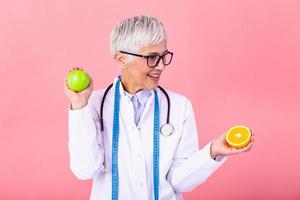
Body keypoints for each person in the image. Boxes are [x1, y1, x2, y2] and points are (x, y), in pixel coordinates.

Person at [64, 15, 254, 200]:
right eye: (152, 57)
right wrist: (79, 106)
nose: (161, 66)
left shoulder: (180, 107)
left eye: (164, 56)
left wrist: (212, 152)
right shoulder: (94, 104)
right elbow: (84, 170)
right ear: (122, 58)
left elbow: (180, 182)